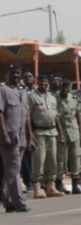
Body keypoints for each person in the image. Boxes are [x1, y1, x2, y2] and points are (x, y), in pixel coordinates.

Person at [0, 63, 32, 212]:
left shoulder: (23, 93)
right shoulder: (3, 91)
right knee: (13, 170)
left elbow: (26, 116)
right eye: (13, 73)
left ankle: (7, 201)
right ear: (8, 73)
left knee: (11, 170)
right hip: (9, 137)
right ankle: (19, 201)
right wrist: (5, 135)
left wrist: (30, 136)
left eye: (18, 73)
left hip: (22, 137)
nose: (16, 76)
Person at [28, 74, 65, 198]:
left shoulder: (52, 97)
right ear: (37, 82)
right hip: (39, 132)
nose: (44, 83)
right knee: (39, 160)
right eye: (41, 81)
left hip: (52, 132)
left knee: (52, 160)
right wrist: (30, 134)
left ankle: (51, 187)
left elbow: (57, 116)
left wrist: (61, 133)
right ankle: (37, 187)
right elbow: (27, 116)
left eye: (45, 81)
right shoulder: (32, 97)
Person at [57, 80, 81, 194]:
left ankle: (75, 184)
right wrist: (60, 133)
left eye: (67, 88)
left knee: (75, 157)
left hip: (73, 131)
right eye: (63, 87)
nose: (65, 90)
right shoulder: (55, 99)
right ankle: (59, 184)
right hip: (61, 131)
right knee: (61, 158)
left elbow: (78, 116)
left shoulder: (73, 99)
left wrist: (80, 133)